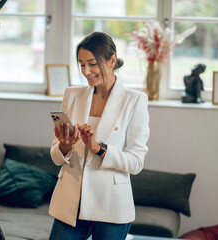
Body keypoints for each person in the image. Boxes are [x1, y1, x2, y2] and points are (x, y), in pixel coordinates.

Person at [48, 32, 150, 240]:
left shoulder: (135, 101)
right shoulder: (72, 95)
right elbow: (56, 156)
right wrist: (64, 147)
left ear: (112, 61)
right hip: (71, 202)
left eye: (92, 64)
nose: (86, 71)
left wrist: (98, 148)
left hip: (111, 204)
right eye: (82, 64)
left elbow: (136, 162)